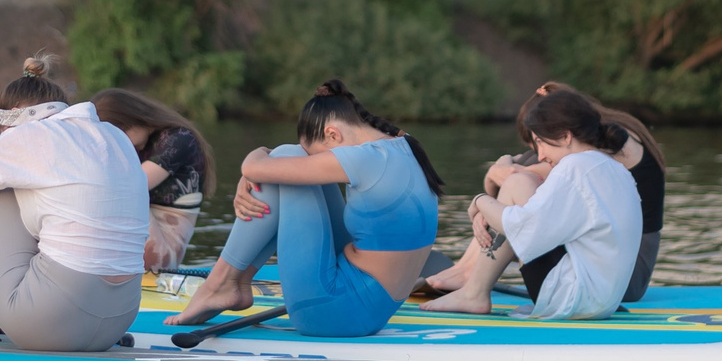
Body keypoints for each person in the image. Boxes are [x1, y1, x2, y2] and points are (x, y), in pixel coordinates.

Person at [162, 79, 441, 338]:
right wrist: (263, 170)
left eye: (318, 154)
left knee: (283, 155)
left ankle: (220, 284)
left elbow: (253, 166)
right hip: (372, 312)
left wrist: (257, 157)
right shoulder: (401, 145)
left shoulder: (364, 159)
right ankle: (229, 285)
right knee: (282, 164)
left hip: (331, 312)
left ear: (332, 134)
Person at [0, 56, 148, 351]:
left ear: (13, 114)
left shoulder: (28, 135)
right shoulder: (114, 136)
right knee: (30, 198)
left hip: (49, 321)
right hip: (119, 318)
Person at [425, 80, 669, 302]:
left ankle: (472, 284)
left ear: (563, 133)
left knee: (519, 187)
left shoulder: (577, 165)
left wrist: (481, 202)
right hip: (609, 280)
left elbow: (516, 200)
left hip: (615, 280)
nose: (539, 154)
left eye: (540, 141)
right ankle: (468, 273)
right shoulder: (606, 157)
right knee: (523, 193)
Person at [90, 87, 213, 273]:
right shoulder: (137, 147)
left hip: (161, 256)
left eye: (120, 135)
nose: (122, 145)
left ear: (133, 118)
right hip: (134, 246)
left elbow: (131, 187)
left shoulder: (179, 139)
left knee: (120, 190)